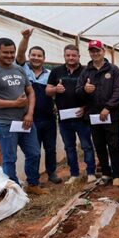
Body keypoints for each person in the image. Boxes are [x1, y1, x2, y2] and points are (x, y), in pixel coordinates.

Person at [0, 37, 46, 195]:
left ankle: (32, 184)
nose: (10, 56)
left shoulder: (19, 69)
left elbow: (30, 92)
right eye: (5, 52)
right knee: (9, 158)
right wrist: (13, 104)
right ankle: (14, 191)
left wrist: (29, 113)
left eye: (12, 52)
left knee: (34, 153)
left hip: (25, 121)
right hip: (5, 122)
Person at [15, 28, 61, 184]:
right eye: (33, 55)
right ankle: (33, 178)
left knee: (50, 148)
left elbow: (56, 92)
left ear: (44, 58)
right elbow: (19, 54)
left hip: (48, 117)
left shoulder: (50, 74)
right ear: (29, 57)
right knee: (33, 150)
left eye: (39, 56)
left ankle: (52, 172)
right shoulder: (23, 69)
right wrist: (25, 38)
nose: (36, 58)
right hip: (29, 118)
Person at [76, 40, 119, 186]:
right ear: (89, 53)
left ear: (103, 51)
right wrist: (85, 90)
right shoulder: (86, 71)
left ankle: (117, 175)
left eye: (98, 50)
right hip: (94, 116)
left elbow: (118, 91)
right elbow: (77, 91)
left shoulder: (113, 70)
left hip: (111, 115)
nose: (95, 53)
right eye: (92, 51)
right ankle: (106, 173)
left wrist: (107, 108)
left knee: (114, 145)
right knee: (99, 145)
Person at [46, 44, 97, 184]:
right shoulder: (56, 72)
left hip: (82, 116)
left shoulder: (87, 71)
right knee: (69, 147)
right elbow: (47, 91)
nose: (71, 58)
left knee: (86, 146)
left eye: (74, 55)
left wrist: (85, 108)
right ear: (64, 56)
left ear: (79, 56)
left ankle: (91, 172)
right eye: (68, 55)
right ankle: (74, 174)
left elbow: (94, 93)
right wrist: (56, 89)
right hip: (65, 118)